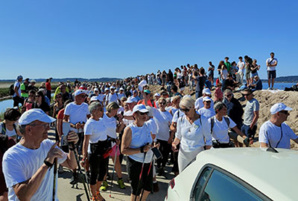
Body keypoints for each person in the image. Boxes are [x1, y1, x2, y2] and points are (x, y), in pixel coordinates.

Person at [2, 109, 78, 200]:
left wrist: (71, 146)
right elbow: (23, 196)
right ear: (29, 129)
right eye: (45, 125)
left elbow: (71, 165)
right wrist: (47, 163)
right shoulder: (12, 156)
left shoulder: (48, 145)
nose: (49, 128)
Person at [121, 104, 157, 201]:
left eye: (146, 113)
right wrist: (141, 150)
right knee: (136, 191)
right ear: (135, 115)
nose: (145, 115)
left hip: (148, 161)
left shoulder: (147, 126)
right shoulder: (129, 129)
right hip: (135, 162)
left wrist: (154, 145)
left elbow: (150, 141)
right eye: (142, 113)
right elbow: (123, 150)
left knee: (148, 189)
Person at [172, 96, 212, 173]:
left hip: (197, 155)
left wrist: (206, 155)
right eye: (182, 110)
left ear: (193, 107)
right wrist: (174, 144)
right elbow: (178, 137)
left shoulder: (203, 120)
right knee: (183, 175)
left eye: (187, 110)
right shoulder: (181, 120)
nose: (185, 112)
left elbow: (208, 140)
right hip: (183, 154)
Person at [82, 102, 108, 201]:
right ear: (94, 111)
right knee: (94, 174)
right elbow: (86, 141)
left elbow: (104, 134)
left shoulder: (101, 120)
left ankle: (97, 192)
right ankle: (94, 195)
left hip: (104, 148)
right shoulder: (89, 123)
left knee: (103, 172)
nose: (102, 111)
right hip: (94, 150)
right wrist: (84, 156)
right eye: (100, 109)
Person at [64, 89, 91, 183]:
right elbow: (65, 120)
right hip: (73, 133)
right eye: (82, 96)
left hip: (83, 132)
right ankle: (74, 173)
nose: (84, 98)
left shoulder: (86, 105)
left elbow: (89, 118)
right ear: (76, 97)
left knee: (84, 152)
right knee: (73, 153)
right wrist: (74, 125)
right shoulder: (69, 106)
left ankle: (87, 171)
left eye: (85, 96)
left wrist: (85, 124)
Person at [153, 98, 172, 177]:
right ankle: (158, 166)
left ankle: (163, 167)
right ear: (158, 104)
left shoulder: (168, 114)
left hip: (165, 137)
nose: (162, 104)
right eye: (160, 103)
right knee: (157, 153)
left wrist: (171, 137)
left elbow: (171, 126)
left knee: (165, 154)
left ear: (166, 104)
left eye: (164, 103)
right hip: (157, 137)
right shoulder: (156, 112)